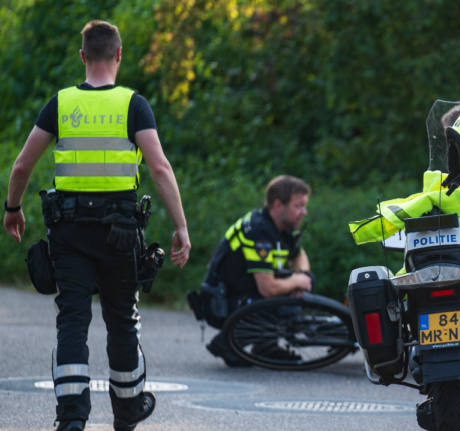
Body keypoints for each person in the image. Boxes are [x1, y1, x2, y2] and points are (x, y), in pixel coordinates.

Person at [2, 21, 191, 431]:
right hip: (120, 233)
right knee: (122, 320)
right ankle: (126, 411)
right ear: (119, 55)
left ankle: (71, 417)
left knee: (72, 320)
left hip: (68, 233)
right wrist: (181, 227)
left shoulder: (61, 103)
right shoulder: (133, 104)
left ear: (83, 57)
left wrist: (12, 208)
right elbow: (159, 167)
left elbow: (22, 164)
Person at [202, 175, 312, 367]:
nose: (304, 212)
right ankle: (227, 343)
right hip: (222, 301)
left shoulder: (283, 228)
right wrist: (296, 282)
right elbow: (267, 289)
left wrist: (302, 276)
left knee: (302, 287)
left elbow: (299, 256)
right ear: (278, 205)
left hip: (247, 293)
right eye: (298, 206)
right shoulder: (258, 231)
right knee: (277, 301)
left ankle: (265, 347)